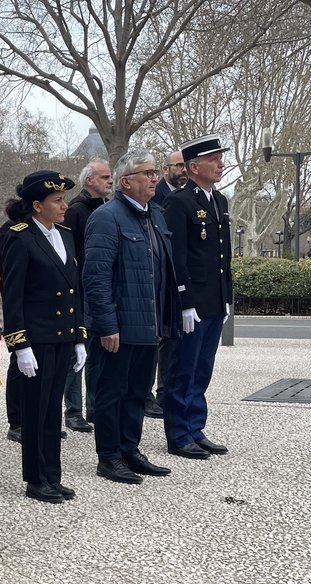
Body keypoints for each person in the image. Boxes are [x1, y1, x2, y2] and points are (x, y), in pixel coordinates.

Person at [84, 149, 176, 484]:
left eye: (155, 173)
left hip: (148, 325)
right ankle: (109, 457)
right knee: (112, 392)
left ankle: (130, 449)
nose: (155, 178)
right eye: (148, 173)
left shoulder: (156, 215)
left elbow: (164, 271)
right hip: (118, 327)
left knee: (139, 391)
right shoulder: (106, 218)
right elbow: (96, 277)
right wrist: (107, 325)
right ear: (126, 182)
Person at [0, 170, 86, 503]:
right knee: (35, 412)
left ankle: (53, 475)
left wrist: (79, 336)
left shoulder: (63, 235)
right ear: (37, 205)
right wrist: (20, 344)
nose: (64, 205)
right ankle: (36, 479)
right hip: (36, 340)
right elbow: (13, 294)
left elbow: (72, 289)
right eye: (57, 200)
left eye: (64, 199)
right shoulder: (19, 236)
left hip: (62, 336)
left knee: (52, 410)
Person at [162, 135, 234, 461]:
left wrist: (227, 296)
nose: (220, 164)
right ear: (194, 166)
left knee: (203, 368)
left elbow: (223, 256)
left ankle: (195, 428)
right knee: (183, 369)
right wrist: (184, 301)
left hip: (214, 300)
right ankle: (178, 434)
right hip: (192, 303)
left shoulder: (219, 202)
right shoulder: (179, 202)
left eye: (220, 157)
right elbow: (176, 257)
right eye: (214, 158)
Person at [59, 160, 113, 434]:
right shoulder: (76, 211)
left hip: (100, 290)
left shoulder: (106, 209)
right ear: (89, 180)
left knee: (97, 355)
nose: (110, 181)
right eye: (105, 177)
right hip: (80, 291)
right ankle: (73, 410)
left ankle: (94, 406)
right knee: (77, 355)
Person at [146, 150, 187, 418]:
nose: (183, 170)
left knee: (171, 337)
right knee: (154, 338)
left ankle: (165, 391)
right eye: (179, 165)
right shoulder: (155, 197)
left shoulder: (186, 197)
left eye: (185, 166)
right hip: (154, 279)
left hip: (176, 279)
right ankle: (149, 395)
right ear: (165, 170)